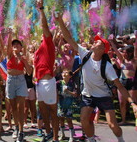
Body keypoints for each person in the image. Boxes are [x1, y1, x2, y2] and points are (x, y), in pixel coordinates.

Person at [57, 14, 137, 142]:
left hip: (103, 96)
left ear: (102, 49)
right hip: (88, 95)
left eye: (97, 41)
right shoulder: (85, 54)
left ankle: (121, 139)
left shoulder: (107, 66)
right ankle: (91, 140)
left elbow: (120, 86)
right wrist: (60, 21)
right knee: (84, 119)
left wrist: (132, 103)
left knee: (112, 125)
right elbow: (69, 39)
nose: (94, 41)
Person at [33, 0, 59, 142]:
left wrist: (41, 10)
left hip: (48, 82)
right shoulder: (38, 51)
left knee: (53, 112)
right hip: (39, 84)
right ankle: (48, 133)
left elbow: (44, 26)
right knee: (42, 111)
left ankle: (55, 137)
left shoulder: (48, 43)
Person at [5, 28, 32, 142]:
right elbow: (7, 47)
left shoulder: (24, 57)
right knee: (13, 107)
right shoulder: (9, 55)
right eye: (14, 44)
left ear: (21, 47)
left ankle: (21, 131)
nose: (15, 46)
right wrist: (10, 34)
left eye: (18, 44)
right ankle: (16, 127)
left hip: (21, 80)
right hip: (10, 80)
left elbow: (30, 72)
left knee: (20, 107)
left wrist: (24, 61)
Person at [109, 35, 137, 125]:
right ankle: (123, 120)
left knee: (134, 102)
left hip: (132, 82)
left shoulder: (134, 61)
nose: (123, 53)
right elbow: (116, 51)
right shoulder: (122, 60)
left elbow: (136, 51)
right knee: (122, 102)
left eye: (125, 52)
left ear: (130, 52)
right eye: (123, 52)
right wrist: (112, 42)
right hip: (122, 82)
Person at [56, 69, 77, 142]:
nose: (64, 74)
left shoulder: (72, 84)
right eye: (63, 72)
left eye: (66, 73)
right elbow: (56, 92)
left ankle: (71, 136)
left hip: (69, 104)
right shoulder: (58, 83)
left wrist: (68, 92)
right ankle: (62, 134)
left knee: (69, 120)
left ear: (70, 76)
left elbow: (75, 94)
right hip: (61, 104)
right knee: (61, 119)